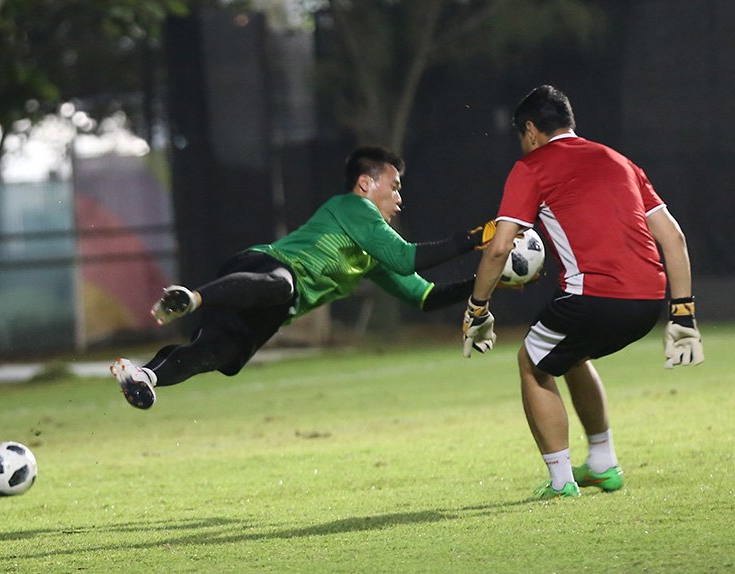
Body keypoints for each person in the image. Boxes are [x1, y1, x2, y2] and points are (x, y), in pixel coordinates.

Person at [111, 145, 496, 409]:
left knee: (217, 356)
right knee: (284, 285)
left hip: (270, 308)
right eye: (394, 187)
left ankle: (142, 375)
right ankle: (191, 298)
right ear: (366, 184)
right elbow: (408, 257)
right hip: (262, 269)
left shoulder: (371, 256)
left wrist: (490, 281)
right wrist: (476, 239)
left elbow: (424, 297)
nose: (399, 198)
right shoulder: (353, 206)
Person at [461, 85, 704, 499]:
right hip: (648, 303)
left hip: (593, 298)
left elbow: (500, 247)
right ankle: (602, 464)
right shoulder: (620, 161)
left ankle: (561, 482)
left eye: (523, 136)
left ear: (532, 131)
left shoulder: (533, 166)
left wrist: (477, 308)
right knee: (571, 356)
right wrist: (682, 315)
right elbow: (674, 238)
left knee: (532, 363)